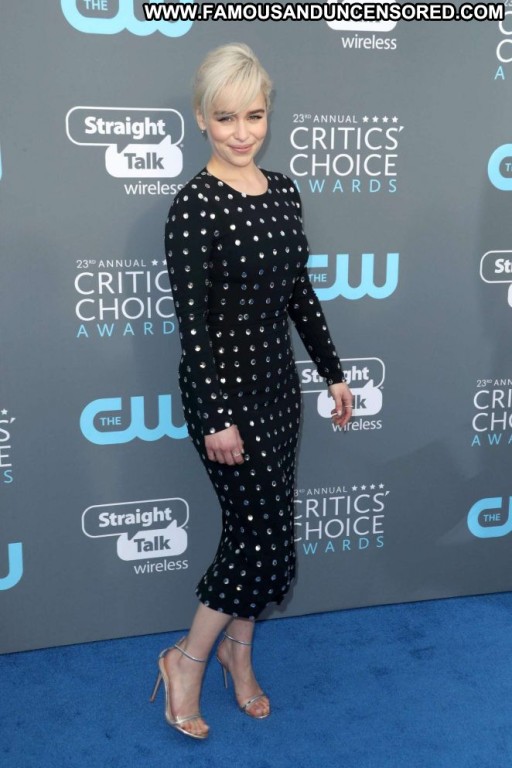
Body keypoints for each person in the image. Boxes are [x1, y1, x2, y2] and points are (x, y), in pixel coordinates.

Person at [151, 42, 353, 739]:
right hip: (224, 400)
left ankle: (238, 653)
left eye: (255, 116)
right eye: (226, 117)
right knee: (258, 541)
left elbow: (300, 295)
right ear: (201, 118)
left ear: (268, 115)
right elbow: (194, 329)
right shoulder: (194, 207)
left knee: (260, 536)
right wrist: (215, 417)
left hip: (277, 392)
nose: (242, 133)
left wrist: (332, 372)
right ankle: (186, 659)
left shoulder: (285, 190)